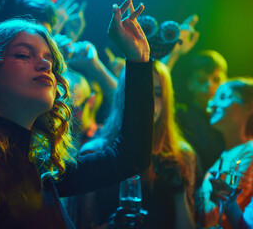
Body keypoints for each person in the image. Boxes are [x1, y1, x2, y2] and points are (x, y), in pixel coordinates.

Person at [0, 0, 154, 228]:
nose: (45, 65)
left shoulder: (40, 169)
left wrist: (138, 60)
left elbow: (131, 157)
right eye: (23, 54)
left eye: (48, 59)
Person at [76, 60, 196, 229]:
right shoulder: (95, 151)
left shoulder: (182, 154)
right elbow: (80, 224)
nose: (150, 101)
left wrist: (179, 192)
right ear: (124, 96)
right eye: (142, 92)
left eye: (158, 93)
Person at [196, 78, 253, 229]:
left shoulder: (250, 152)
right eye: (213, 100)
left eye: (223, 97)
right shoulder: (227, 154)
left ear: (249, 106)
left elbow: (216, 217)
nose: (213, 105)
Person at [174, 50, 228, 183]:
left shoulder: (230, 117)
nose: (209, 85)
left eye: (216, 80)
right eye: (202, 80)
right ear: (190, 84)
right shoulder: (181, 114)